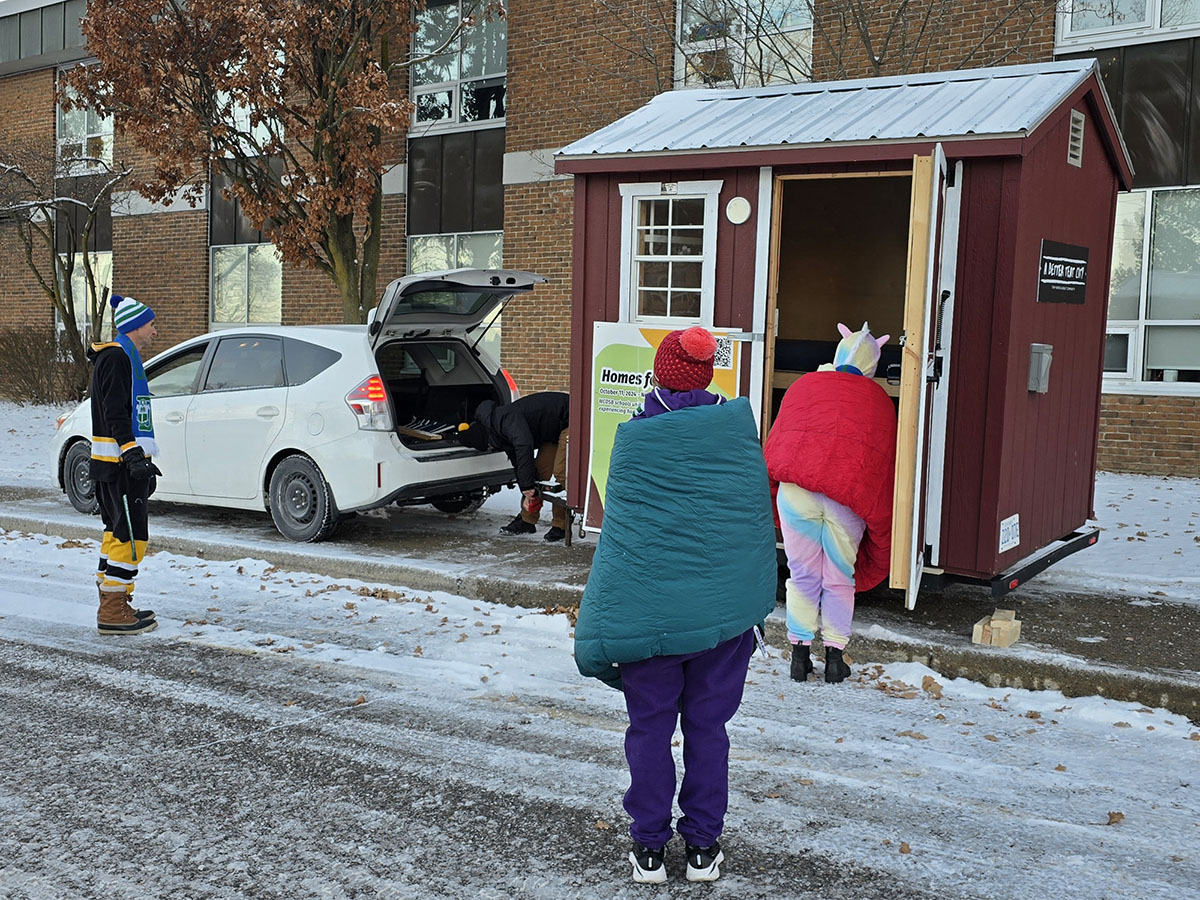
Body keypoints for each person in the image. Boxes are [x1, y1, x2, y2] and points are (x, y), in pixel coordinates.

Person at [573, 326, 776, 884]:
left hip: (650, 623)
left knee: (650, 730)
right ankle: (705, 849)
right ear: (708, 378)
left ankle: (649, 850)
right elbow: (751, 525)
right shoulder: (736, 437)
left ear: (660, 374)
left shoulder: (634, 439)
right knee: (709, 730)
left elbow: (622, 536)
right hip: (722, 626)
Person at [763, 322, 898, 683]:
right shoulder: (879, 401)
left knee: (802, 574)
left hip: (798, 492)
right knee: (839, 578)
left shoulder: (805, 385)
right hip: (846, 496)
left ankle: (799, 656)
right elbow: (881, 459)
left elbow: (784, 437)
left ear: (836, 354)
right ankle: (835, 659)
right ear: (874, 365)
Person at [89, 294, 162, 635]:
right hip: (119, 464)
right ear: (134, 327)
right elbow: (116, 412)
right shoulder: (118, 359)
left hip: (111, 463)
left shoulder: (117, 356)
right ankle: (113, 611)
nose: (154, 332)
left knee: (115, 533)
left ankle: (114, 601)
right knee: (132, 538)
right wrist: (133, 454)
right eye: (150, 325)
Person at [457, 391, 569, 542]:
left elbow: (524, 446)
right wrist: (528, 487)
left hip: (571, 419)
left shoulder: (505, 419)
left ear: (487, 437)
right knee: (539, 473)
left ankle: (561, 526)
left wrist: (527, 486)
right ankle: (527, 520)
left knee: (561, 473)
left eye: (489, 446)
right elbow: (521, 465)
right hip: (552, 430)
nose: (491, 448)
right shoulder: (499, 434)